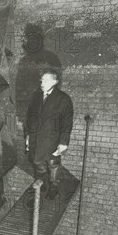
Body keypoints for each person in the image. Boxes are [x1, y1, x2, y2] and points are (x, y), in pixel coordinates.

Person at [24, 69, 73, 199]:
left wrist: (63, 143)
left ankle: (54, 186)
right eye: (41, 80)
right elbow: (29, 117)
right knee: (37, 162)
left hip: (52, 139)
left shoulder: (63, 99)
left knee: (53, 164)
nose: (42, 83)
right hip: (35, 138)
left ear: (55, 81)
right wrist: (28, 135)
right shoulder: (35, 97)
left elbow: (67, 122)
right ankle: (43, 184)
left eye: (45, 80)